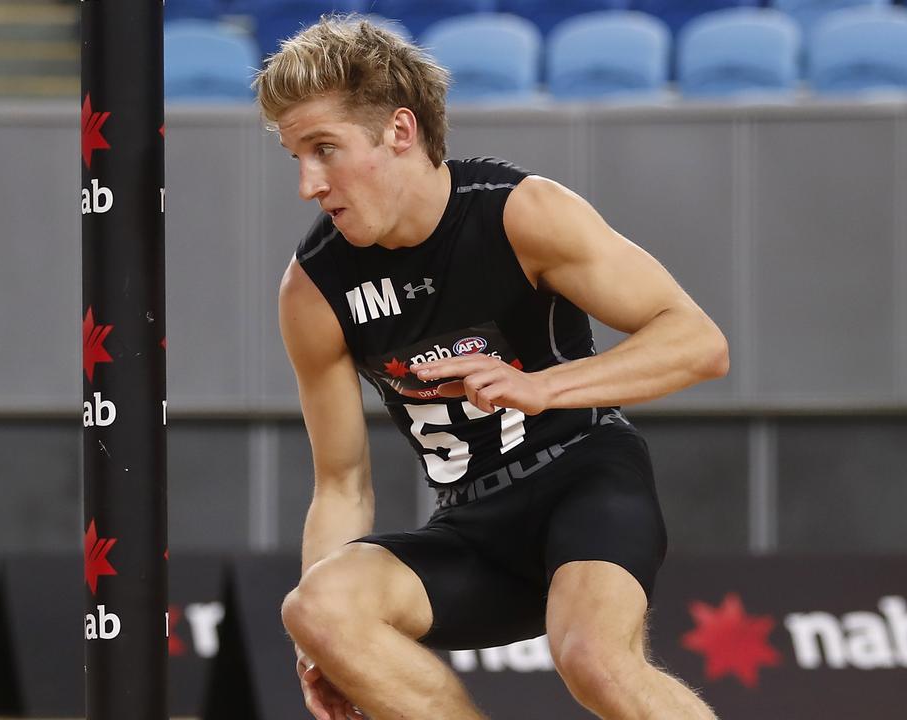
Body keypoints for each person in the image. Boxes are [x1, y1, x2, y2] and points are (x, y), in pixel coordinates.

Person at [255, 15, 729, 720]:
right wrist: (324, 648)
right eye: (296, 156)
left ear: (400, 132)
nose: (307, 184)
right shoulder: (314, 289)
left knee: (592, 655)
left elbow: (697, 342)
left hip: (584, 480)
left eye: (324, 150)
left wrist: (542, 387)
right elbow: (342, 483)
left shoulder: (523, 212)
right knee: (316, 606)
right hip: (472, 527)